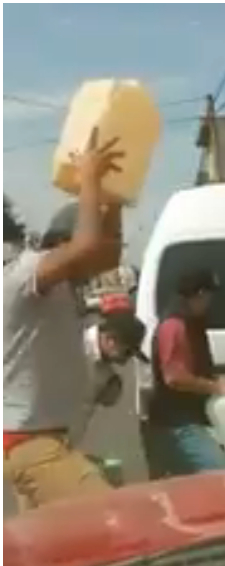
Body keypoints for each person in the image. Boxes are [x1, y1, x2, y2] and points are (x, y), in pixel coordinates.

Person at [3, 129, 126, 510]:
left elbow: (103, 257)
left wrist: (113, 202)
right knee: (112, 518)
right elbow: (87, 246)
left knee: (53, 552)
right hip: (31, 445)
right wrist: (89, 179)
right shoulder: (19, 277)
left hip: (44, 439)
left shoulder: (34, 277)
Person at [141, 268, 225, 479]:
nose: (211, 303)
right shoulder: (175, 326)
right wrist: (215, 387)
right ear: (200, 295)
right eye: (209, 296)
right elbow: (175, 377)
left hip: (186, 421)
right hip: (177, 425)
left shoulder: (188, 323)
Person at [72, 294, 149, 446]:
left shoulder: (104, 369)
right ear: (110, 340)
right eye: (126, 352)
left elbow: (105, 399)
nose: (126, 360)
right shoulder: (75, 344)